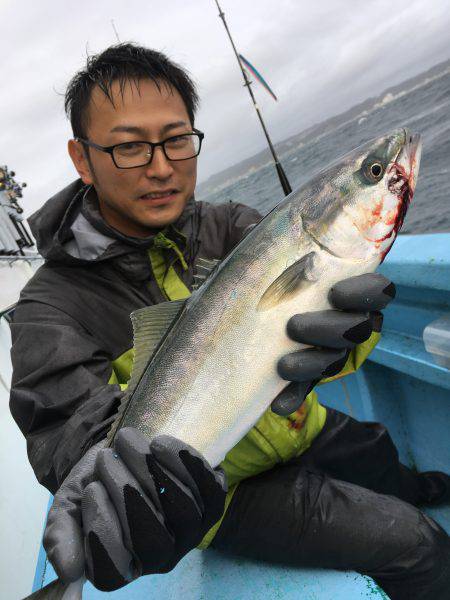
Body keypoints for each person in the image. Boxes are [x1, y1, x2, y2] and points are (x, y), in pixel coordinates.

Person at [9, 43, 450, 599]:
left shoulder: (231, 226)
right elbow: (66, 427)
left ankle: (414, 484)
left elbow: (335, 334)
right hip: (219, 492)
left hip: (295, 426)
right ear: (82, 158)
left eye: (176, 139)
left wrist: (349, 336)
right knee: (417, 543)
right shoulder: (50, 308)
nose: (162, 166)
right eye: (129, 148)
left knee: (386, 458)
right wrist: (123, 492)